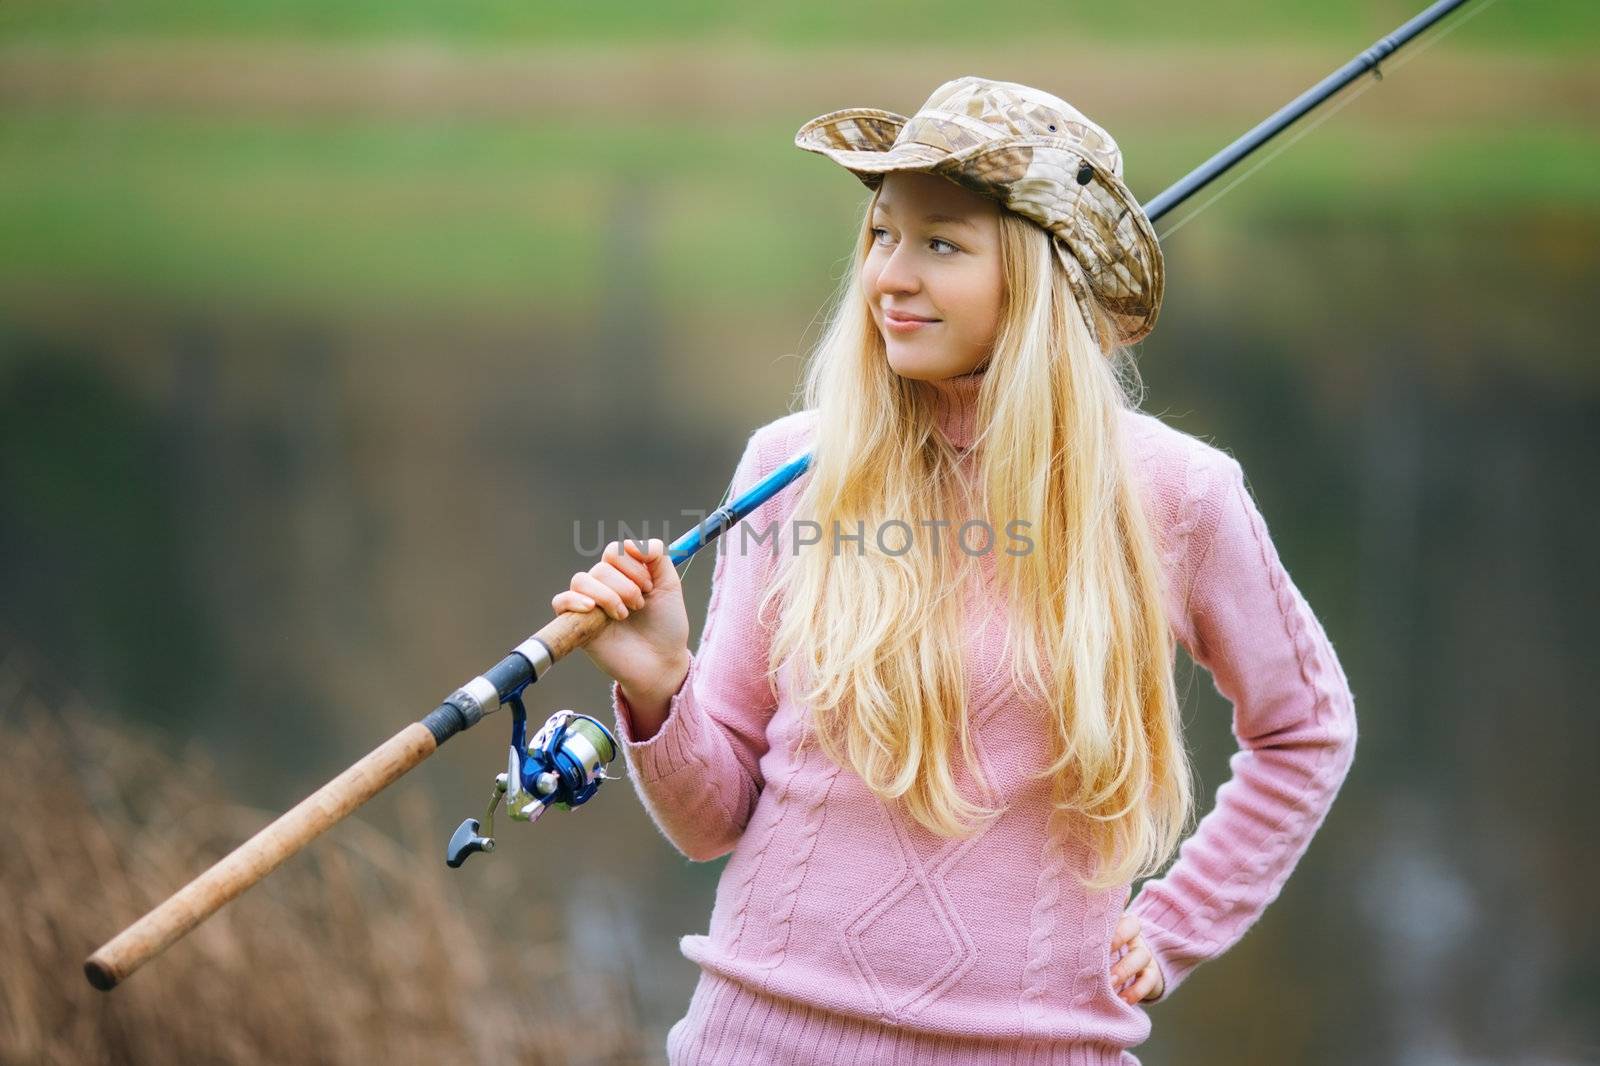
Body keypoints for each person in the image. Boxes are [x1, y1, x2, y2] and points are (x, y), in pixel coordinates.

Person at [553, 75, 1358, 1065]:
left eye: (941, 243)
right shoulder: (785, 470)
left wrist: (1173, 924)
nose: (891, 274)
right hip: (753, 1042)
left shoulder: (1177, 493)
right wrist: (659, 685)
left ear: (1038, 276)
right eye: (883, 235)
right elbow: (711, 821)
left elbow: (1304, 729)